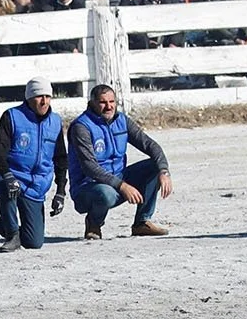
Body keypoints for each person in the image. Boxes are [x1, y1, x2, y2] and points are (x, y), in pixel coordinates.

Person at [68, 84, 172, 238]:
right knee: (106, 193)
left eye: (112, 102)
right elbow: (90, 167)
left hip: (119, 178)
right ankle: (94, 224)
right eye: (103, 102)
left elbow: (150, 145)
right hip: (89, 186)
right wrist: (122, 186)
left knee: (154, 166)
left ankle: (142, 223)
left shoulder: (122, 120)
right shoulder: (81, 127)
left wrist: (164, 171)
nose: (108, 106)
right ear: (92, 104)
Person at [0, 78, 66, 252]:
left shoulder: (56, 122)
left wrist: (61, 192)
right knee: (7, 187)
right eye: (38, 96)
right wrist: (8, 176)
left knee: (34, 242)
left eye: (47, 96)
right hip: (7, 177)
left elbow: (61, 159)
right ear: (28, 98)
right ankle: (12, 235)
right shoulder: (12, 117)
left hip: (35, 185)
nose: (44, 101)